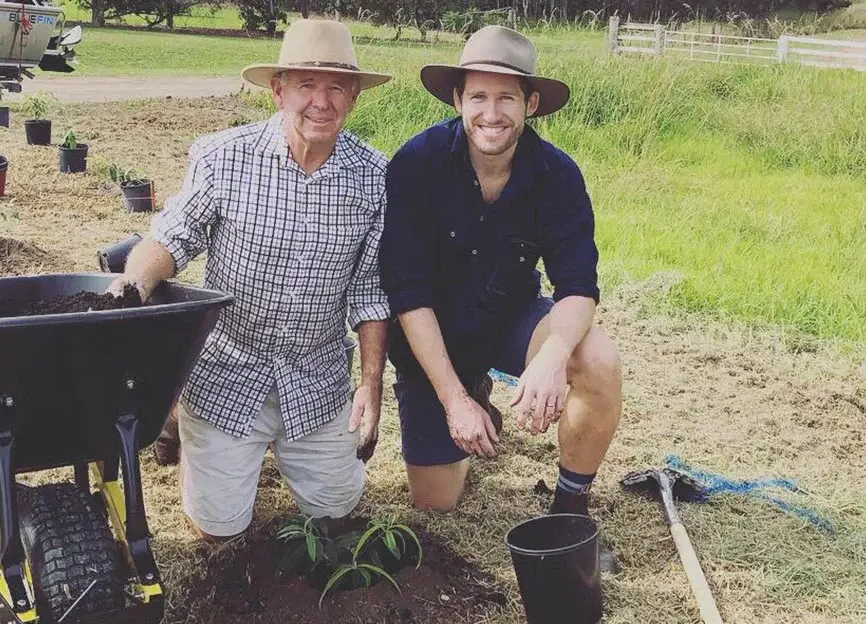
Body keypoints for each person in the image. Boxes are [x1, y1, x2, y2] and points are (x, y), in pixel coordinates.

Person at [107, 19, 392, 541]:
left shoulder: (376, 177)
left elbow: (370, 291)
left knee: (334, 516)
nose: (321, 102)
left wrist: (371, 385)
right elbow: (171, 238)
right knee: (218, 531)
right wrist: (131, 288)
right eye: (306, 85)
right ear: (278, 91)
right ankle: (183, 419)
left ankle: (227, 436)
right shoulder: (223, 156)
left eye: (336, 87)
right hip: (228, 372)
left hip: (317, 376)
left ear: (354, 97)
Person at [379, 26, 622, 570]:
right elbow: (408, 295)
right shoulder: (416, 164)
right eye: (479, 97)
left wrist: (553, 357)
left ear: (530, 104)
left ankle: (571, 509)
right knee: (435, 501)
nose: (492, 114)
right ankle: (472, 395)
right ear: (458, 99)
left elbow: (578, 287)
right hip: (432, 337)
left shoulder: (558, 174)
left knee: (597, 359)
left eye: (507, 98)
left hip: (512, 317)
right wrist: (453, 401)